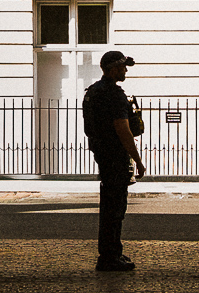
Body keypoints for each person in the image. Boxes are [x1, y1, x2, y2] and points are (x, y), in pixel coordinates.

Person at [82, 50, 146, 272]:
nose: (125, 70)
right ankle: (109, 257)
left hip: (102, 153)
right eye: (122, 67)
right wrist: (138, 160)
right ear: (112, 69)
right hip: (115, 155)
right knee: (115, 208)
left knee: (109, 205)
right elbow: (123, 129)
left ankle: (111, 252)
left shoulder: (93, 92)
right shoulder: (114, 94)